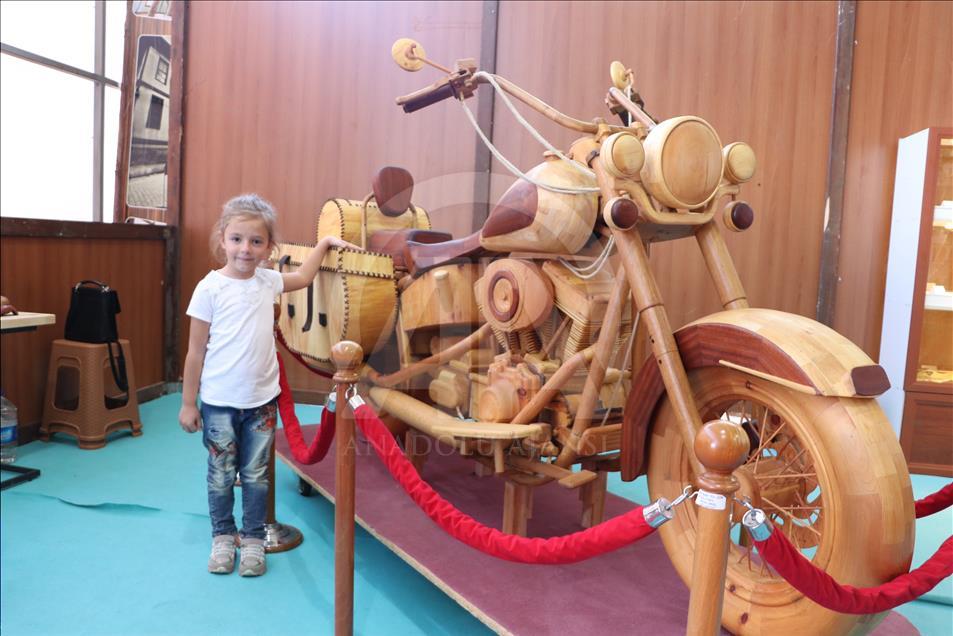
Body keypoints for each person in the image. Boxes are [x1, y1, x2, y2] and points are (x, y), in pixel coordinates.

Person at [178, 193, 355, 576]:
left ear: (269, 247)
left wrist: (325, 243)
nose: (245, 249)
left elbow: (304, 277)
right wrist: (189, 402)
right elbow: (195, 352)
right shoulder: (209, 288)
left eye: (256, 241)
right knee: (221, 473)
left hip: (261, 402)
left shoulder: (268, 281)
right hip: (219, 403)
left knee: (257, 475)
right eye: (237, 239)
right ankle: (223, 537)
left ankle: (254, 539)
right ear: (223, 239)